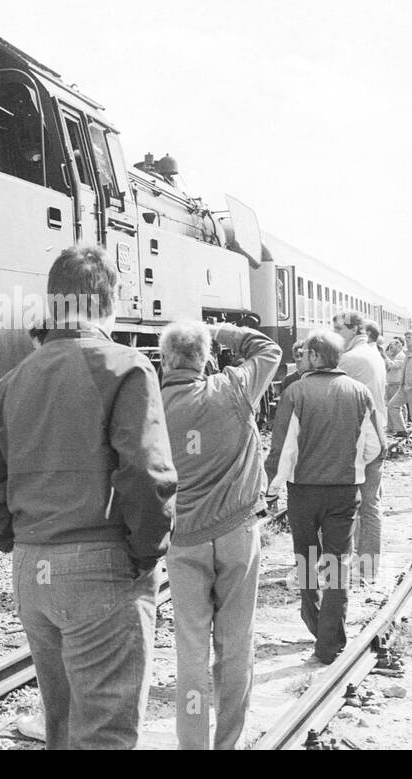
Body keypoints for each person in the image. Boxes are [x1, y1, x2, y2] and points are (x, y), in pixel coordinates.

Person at [0, 247, 176, 749]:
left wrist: (18, 540)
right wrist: (145, 553)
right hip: (101, 565)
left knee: (60, 726)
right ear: (110, 300)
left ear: (53, 301)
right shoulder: (126, 367)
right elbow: (148, 475)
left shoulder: (12, 381)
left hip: (32, 568)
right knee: (104, 732)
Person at [159, 320, 282, 749]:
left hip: (184, 540)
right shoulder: (232, 388)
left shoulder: (151, 406)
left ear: (164, 360)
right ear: (206, 359)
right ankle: (228, 742)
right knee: (235, 645)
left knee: (191, 649)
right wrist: (222, 329)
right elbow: (269, 351)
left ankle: (192, 745)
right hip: (236, 533)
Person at [264, 330, 382, 663]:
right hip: (344, 491)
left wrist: (272, 489)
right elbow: (375, 446)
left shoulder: (296, 392)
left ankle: (314, 619)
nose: (300, 358)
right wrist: (353, 465)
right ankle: (330, 642)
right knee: (338, 562)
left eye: (304, 353)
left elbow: (283, 448)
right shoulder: (359, 392)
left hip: (303, 491)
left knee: (306, 557)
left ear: (316, 356)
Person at [333, 311, 387, 583]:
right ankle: (367, 565)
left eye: (339, 329)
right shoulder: (373, 353)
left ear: (355, 329)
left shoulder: (351, 359)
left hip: (359, 440)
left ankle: (363, 567)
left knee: (360, 505)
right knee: (370, 504)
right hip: (375, 434)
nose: (335, 334)